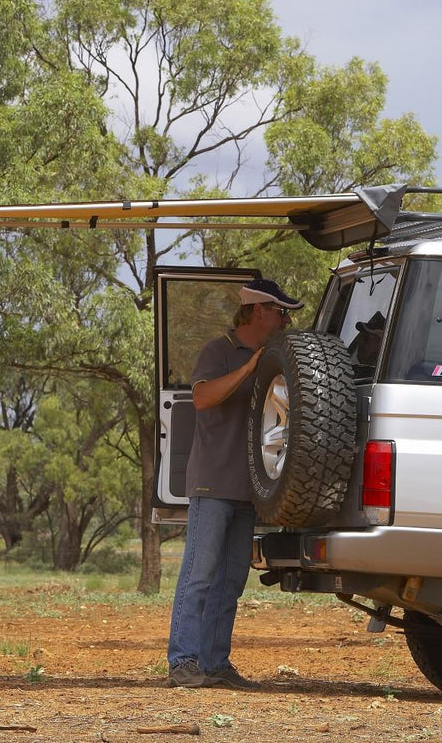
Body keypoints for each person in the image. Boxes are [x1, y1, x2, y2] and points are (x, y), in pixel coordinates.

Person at [166, 278, 304, 689]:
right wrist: (248, 368)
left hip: (249, 491)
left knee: (230, 581)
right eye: (281, 312)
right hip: (213, 485)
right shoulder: (219, 351)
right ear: (259, 310)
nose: (286, 319)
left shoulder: (276, 358)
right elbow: (204, 398)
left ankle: (214, 663)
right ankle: (183, 662)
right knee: (199, 574)